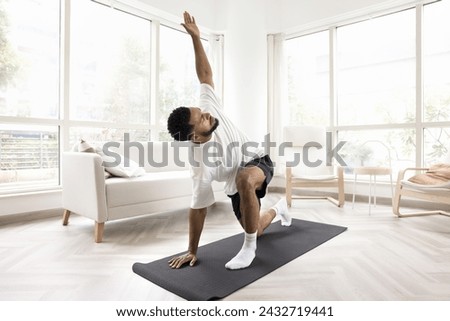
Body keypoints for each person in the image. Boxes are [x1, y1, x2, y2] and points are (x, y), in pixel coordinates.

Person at [166, 11, 291, 270]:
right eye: (200, 119)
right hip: (236, 186)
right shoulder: (200, 164)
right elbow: (198, 208)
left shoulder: (207, 108)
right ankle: (279, 210)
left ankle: (248, 250)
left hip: (258, 160)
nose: (206, 113)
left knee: (245, 177)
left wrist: (196, 38)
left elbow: (205, 75)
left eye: (201, 111)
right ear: (193, 137)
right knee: (255, 228)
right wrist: (191, 250)